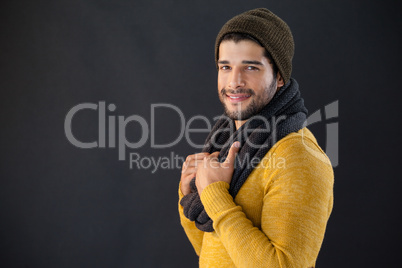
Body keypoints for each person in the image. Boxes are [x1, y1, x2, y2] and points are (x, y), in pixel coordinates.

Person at [178, 8, 334, 268]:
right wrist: (190, 199)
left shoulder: (299, 157)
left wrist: (215, 196)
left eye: (250, 67)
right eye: (225, 67)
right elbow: (214, 255)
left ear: (280, 76)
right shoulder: (226, 143)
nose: (234, 82)